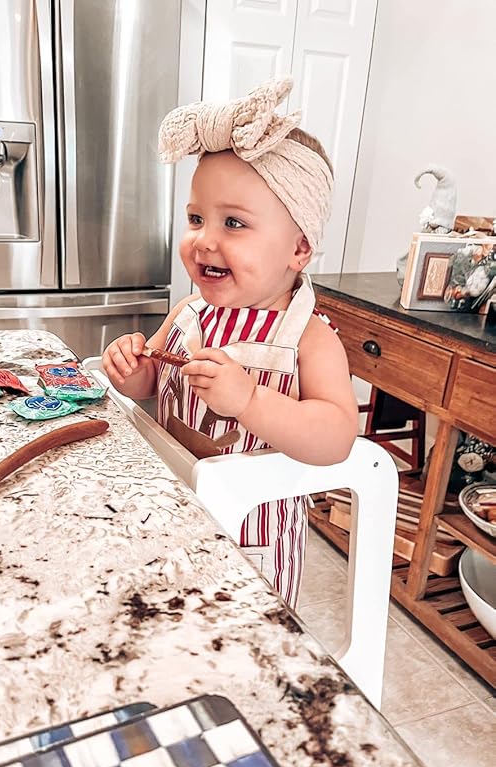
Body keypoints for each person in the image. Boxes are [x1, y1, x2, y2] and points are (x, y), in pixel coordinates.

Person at [102, 78, 357, 605]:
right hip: (171, 514)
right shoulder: (189, 313)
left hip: (252, 545)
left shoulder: (308, 340)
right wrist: (132, 371)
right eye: (196, 218)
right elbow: (153, 382)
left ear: (299, 248)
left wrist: (250, 400)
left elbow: (335, 439)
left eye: (234, 223)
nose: (204, 240)